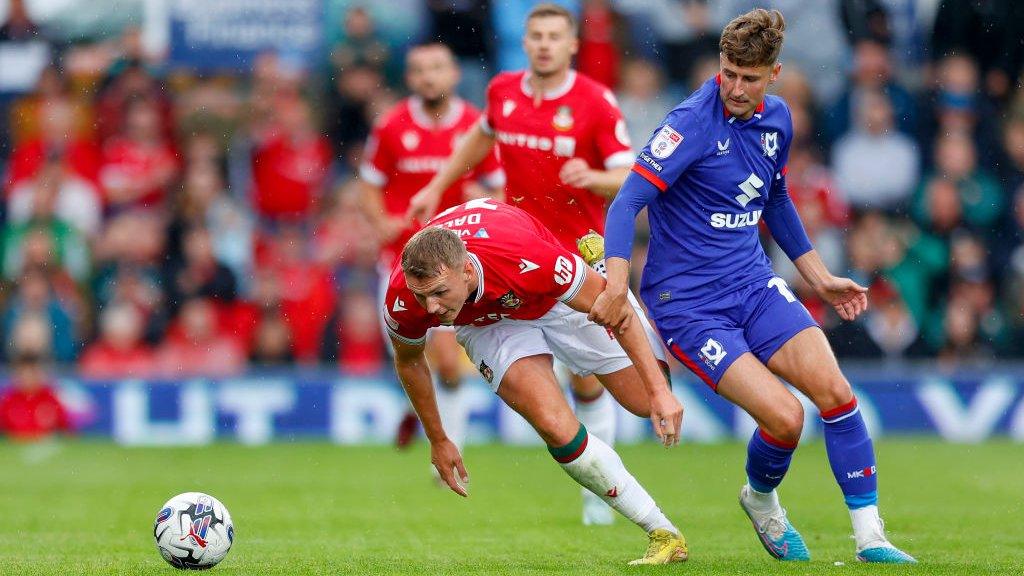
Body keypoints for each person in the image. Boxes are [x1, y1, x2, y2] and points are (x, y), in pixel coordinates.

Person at [592, 9, 916, 564]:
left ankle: (871, 538)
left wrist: (818, 277)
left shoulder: (780, 119)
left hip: (753, 283)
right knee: (786, 419)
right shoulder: (690, 122)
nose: (736, 88)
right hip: (688, 305)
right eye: (728, 73)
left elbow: (776, 198)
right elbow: (627, 202)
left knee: (836, 394)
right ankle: (761, 499)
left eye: (749, 77)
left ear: (775, 74)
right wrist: (618, 283)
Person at [407, 3, 660, 525]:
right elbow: (481, 136)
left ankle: (600, 491)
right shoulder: (502, 91)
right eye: (536, 36)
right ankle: (600, 487)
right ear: (525, 43)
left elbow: (632, 175)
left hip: (580, 254)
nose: (544, 44)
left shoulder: (594, 101)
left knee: (593, 381)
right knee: (549, 394)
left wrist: (591, 176)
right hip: (512, 262)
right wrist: (437, 184)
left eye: (554, 36)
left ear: (571, 45)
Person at [385, 198, 686, 565]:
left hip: (549, 298)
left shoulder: (524, 255)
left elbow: (614, 310)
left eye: (438, 293)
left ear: (465, 270)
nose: (430, 308)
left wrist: (658, 391)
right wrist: (439, 438)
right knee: (554, 425)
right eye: (422, 295)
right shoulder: (402, 296)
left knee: (645, 400)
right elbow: (410, 360)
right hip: (487, 323)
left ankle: (600, 265)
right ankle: (662, 531)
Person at [359, 42, 505, 450]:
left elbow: (500, 189)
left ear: (454, 75)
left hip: (451, 268)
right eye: (420, 70)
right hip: (399, 263)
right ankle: (414, 410)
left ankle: (449, 455)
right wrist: (380, 221)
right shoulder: (390, 126)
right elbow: (368, 186)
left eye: (437, 68)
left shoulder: (476, 125)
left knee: (447, 364)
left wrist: (485, 201)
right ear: (410, 79)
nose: (429, 77)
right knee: (408, 355)